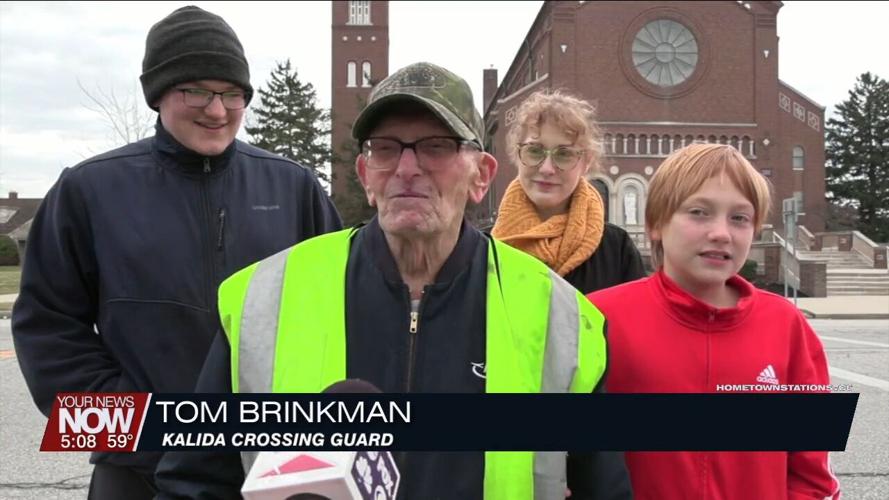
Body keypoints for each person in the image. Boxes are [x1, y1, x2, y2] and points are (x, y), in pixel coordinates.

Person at [155, 62, 631, 499]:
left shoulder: (561, 317)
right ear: (366, 174)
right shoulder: (265, 299)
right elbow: (195, 484)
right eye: (385, 148)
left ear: (481, 176)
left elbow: (602, 489)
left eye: (436, 147)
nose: (407, 169)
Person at [12, 6, 340, 499]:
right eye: (197, 91)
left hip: (268, 469)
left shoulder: (294, 188)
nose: (217, 110)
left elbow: (339, 312)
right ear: (159, 93)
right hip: (137, 473)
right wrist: (135, 429)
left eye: (232, 93)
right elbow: (47, 328)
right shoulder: (89, 189)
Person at [587, 144, 841, 499]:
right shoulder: (598, 318)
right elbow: (562, 462)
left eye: (739, 218)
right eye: (699, 212)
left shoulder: (786, 325)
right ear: (655, 224)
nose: (722, 233)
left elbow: (812, 473)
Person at [492, 90, 644, 295]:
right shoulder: (484, 247)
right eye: (534, 151)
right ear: (517, 155)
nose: (547, 168)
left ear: (586, 162)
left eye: (564, 154)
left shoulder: (616, 250)